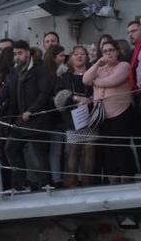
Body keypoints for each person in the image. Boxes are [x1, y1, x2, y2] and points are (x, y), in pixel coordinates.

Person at [0, 40, 55, 190]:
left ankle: (46, 184)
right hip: (21, 120)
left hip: (37, 119)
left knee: (40, 152)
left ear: (28, 53)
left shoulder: (40, 69)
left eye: (20, 53)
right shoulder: (15, 70)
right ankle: (21, 183)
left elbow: (45, 93)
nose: (17, 57)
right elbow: (6, 90)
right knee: (11, 148)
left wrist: (32, 110)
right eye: (15, 54)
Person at [83, 39, 136, 184]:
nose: (108, 53)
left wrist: (95, 81)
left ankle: (127, 174)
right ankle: (113, 175)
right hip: (102, 114)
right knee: (107, 146)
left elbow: (112, 81)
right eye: (105, 51)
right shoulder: (99, 69)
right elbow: (85, 79)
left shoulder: (123, 65)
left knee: (119, 144)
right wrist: (97, 64)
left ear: (117, 51)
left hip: (121, 111)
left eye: (111, 50)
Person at [54, 45, 96, 187]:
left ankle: (87, 181)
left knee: (90, 149)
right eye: (76, 54)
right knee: (73, 150)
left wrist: (91, 99)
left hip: (91, 116)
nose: (79, 56)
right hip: (72, 117)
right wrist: (76, 99)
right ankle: (72, 181)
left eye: (82, 54)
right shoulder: (64, 76)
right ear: (71, 58)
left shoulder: (93, 73)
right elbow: (59, 95)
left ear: (87, 57)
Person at [43, 45, 68, 187]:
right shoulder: (48, 74)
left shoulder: (64, 73)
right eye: (61, 55)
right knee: (56, 150)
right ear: (53, 57)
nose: (63, 58)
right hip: (54, 117)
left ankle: (63, 177)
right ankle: (56, 179)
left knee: (65, 150)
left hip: (64, 116)